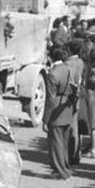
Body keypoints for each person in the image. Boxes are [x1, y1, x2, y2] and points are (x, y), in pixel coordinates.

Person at [40, 41, 78, 180]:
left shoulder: (52, 74)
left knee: (55, 142)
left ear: (50, 57)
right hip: (67, 106)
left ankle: (59, 171)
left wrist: (45, 119)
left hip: (56, 108)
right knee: (64, 141)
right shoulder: (68, 69)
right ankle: (65, 167)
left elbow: (50, 100)